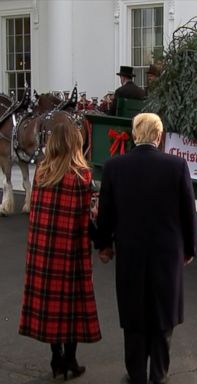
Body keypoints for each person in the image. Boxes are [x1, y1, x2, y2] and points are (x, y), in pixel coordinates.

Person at [96, 113, 197, 384]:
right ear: (159, 135)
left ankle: (136, 374)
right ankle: (158, 375)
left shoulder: (114, 167)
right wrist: (189, 248)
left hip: (130, 252)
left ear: (133, 134)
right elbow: (189, 212)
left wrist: (104, 245)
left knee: (133, 315)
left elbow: (106, 214)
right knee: (163, 316)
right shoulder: (176, 166)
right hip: (167, 253)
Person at [19, 111, 101, 380]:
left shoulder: (41, 174)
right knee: (72, 306)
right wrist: (103, 243)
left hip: (44, 253)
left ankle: (56, 360)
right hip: (71, 252)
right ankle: (70, 359)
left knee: (51, 305)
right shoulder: (82, 178)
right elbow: (87, 220)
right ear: (76, 144)